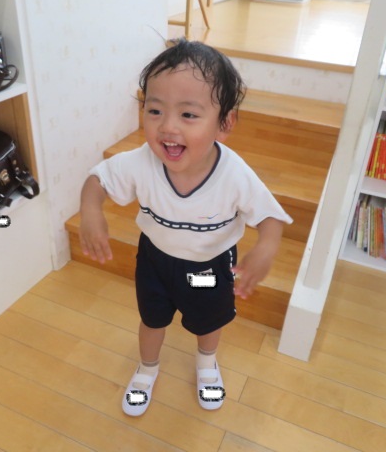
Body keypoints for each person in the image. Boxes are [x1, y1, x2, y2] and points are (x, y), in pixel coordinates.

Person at [79, 39, 292, 416]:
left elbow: (270, 217)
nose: (168, 127)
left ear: (224, 124)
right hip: (155, 262)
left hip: (207, 269)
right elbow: (98, 180)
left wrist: (266, 246)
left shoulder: (233, 174)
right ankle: (147, 369)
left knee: (208, 319)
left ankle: (207, 364)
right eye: (155, 110)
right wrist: (91, 209)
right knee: (152, 318)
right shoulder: (141, 162)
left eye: (188, 115)